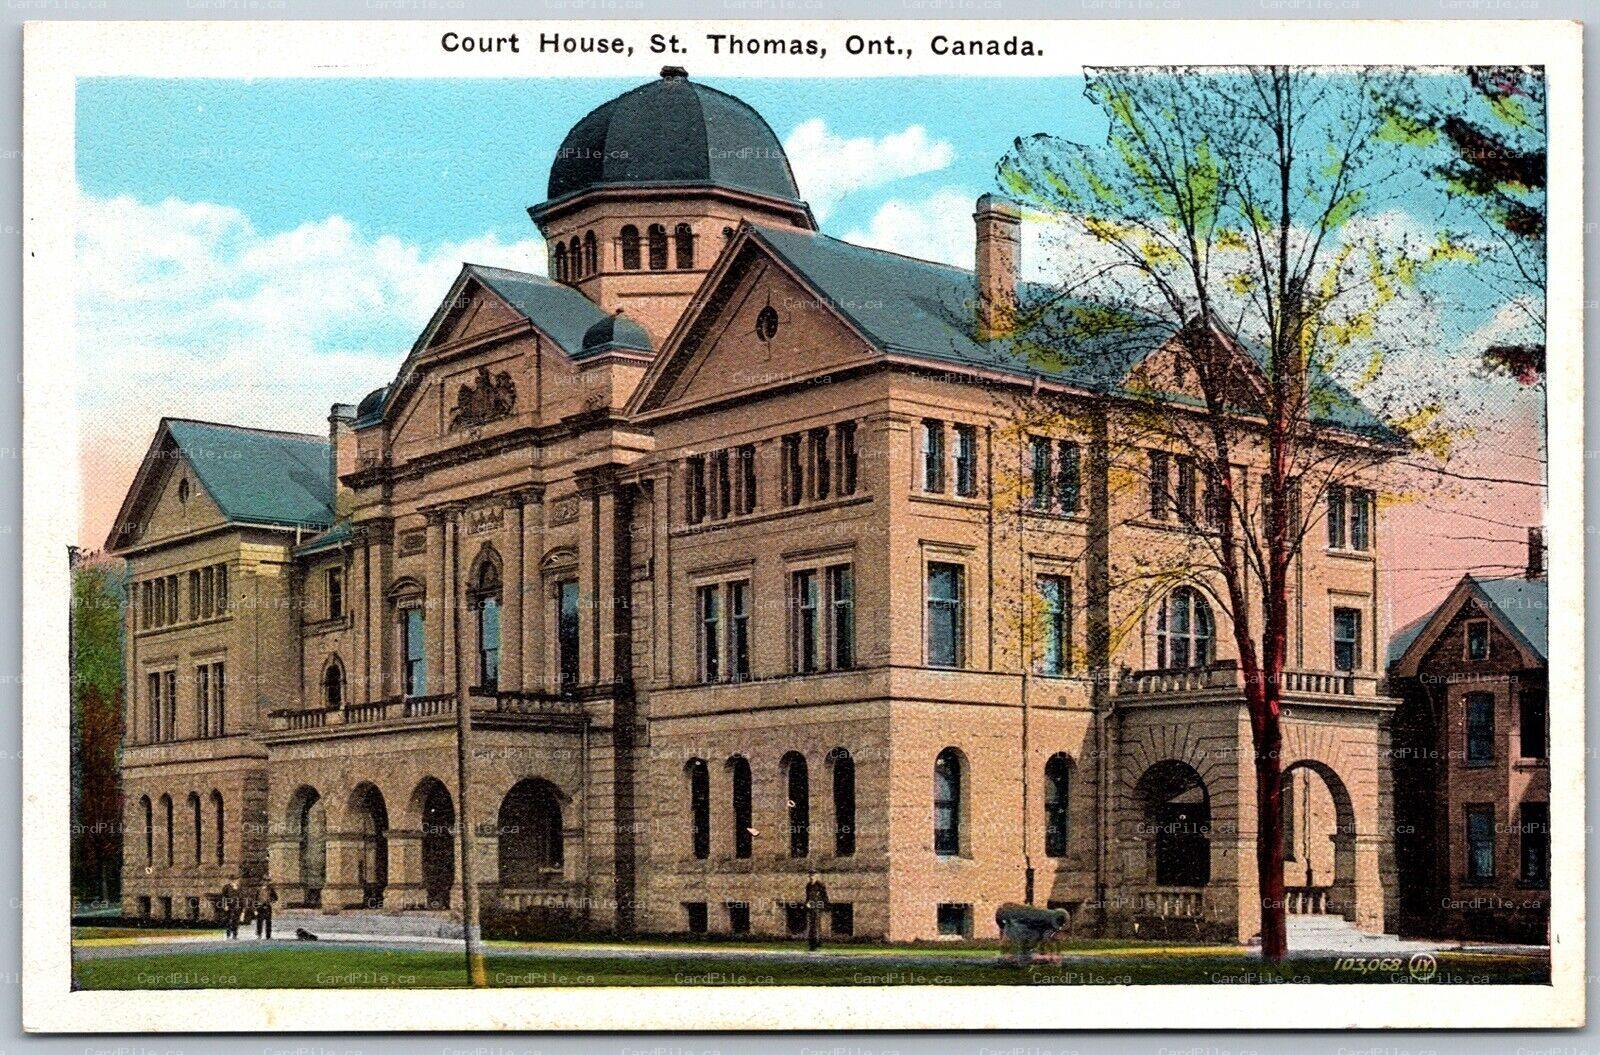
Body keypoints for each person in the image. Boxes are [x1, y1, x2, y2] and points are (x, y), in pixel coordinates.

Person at [803, 870, 830, 952]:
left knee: (815, 925)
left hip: (817, 906)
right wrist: (807, 903)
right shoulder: (808, 886)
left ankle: (815, 943)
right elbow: (807, 897)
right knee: (811, 925)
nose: (811, 877)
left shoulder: (820, 885)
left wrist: (825, 906)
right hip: (811, 906)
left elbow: (824, 896)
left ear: (816, 876)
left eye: (813, 876)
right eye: (810, 876)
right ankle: (813, 942)